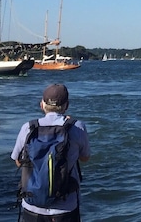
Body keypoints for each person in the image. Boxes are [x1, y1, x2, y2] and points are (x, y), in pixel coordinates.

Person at [12, 84, 91, 222]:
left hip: (32, 205)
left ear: (42, 104)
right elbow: (85, 157)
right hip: (65, 206)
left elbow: (18, 161)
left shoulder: (28, 128)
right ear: (67, 105)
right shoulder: (77, 127)